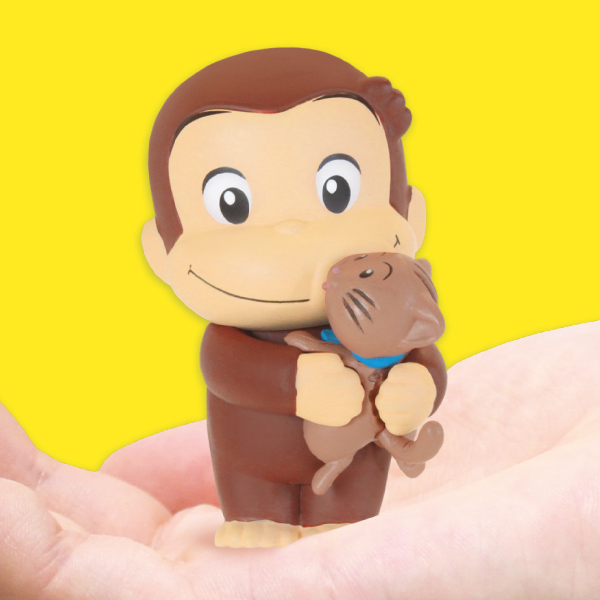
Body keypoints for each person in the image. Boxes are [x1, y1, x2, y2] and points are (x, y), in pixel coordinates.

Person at [1, 321, 599, 598]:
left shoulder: (383, 316)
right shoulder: (241, 333)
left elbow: (423, 366)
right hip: (268, 461)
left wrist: (416, 389)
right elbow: (230, 367)